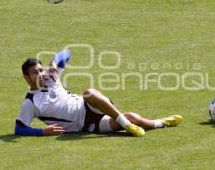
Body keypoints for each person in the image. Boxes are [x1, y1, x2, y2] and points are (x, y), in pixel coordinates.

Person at [15, 50, 183, 137]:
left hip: (91, 105)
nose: (41, 74)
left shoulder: (51, 77)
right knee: (133, 116)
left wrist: (53, 63)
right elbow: (19, 129)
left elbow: (67, 53)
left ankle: (127, 125)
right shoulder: (30, 102)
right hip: (85, 125)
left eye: (40, 70)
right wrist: (42, 132)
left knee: (89, 93)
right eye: (35, 73)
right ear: (26, 77)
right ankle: (161, 122)